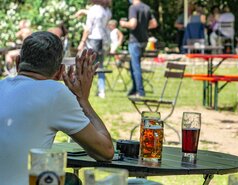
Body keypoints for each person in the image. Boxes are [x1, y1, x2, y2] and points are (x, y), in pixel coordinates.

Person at [0, 31, 114, 184]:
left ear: (17, 62)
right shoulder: (55, 92)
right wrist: (83, 100)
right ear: (60, 72)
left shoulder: (2, 86)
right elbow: (105, 151)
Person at [119, 0, 158, 97]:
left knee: (136, 67)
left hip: (135, 41)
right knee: (133, 65)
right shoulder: (147, 7)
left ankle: (140, 91)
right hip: (144, 41)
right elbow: (154, 24)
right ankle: (134, 88)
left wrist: (123, 24)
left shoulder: (133, 8)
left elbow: (133, 24)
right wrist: (144, 28)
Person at [78, 0, 112, 99]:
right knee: (100, 66)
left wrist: (82, 41)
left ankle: (83, 88)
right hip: (104, 40)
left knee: (86, 64)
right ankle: (101, 90)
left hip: (93, 40)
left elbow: (88, 28)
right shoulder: (107, 11)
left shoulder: (94, 10)